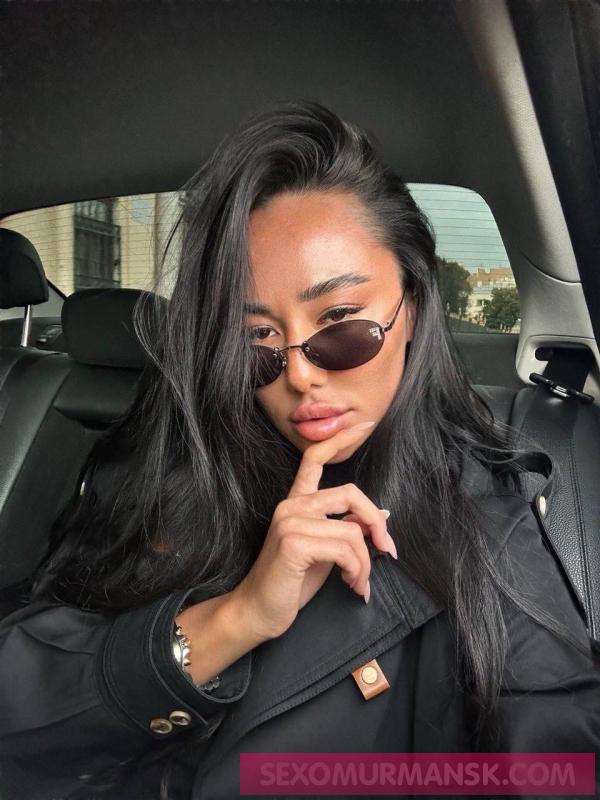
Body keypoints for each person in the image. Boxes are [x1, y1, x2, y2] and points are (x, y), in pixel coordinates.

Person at [0, 100, 599, 800]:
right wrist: (234, 620)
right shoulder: (170, 463)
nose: (300, 375)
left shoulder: (485, 515)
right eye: (255, 341)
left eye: (340, 322)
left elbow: (555, 763)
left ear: (412, 306)